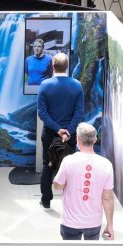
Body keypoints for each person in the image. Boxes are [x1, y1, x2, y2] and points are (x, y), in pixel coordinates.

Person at [53, 123, 115, 240]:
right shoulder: (106, 164)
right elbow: (108, 197)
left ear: (77, 139)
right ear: (95, 139)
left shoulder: (68, 161)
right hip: (93, 222)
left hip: (70, 222)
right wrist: (110, 225)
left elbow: (58, 186)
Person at [37, 53, 84, 208]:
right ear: (67, 66)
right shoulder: (77, 85)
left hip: (50, 133)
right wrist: (68, 131)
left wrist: (58, 130)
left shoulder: (44, 85)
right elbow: (79, 113)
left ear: (53, 65)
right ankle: (69, 202)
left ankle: (46, 200)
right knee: (70, 167)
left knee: (47, 165)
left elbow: (42, 113)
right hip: (70, 136)